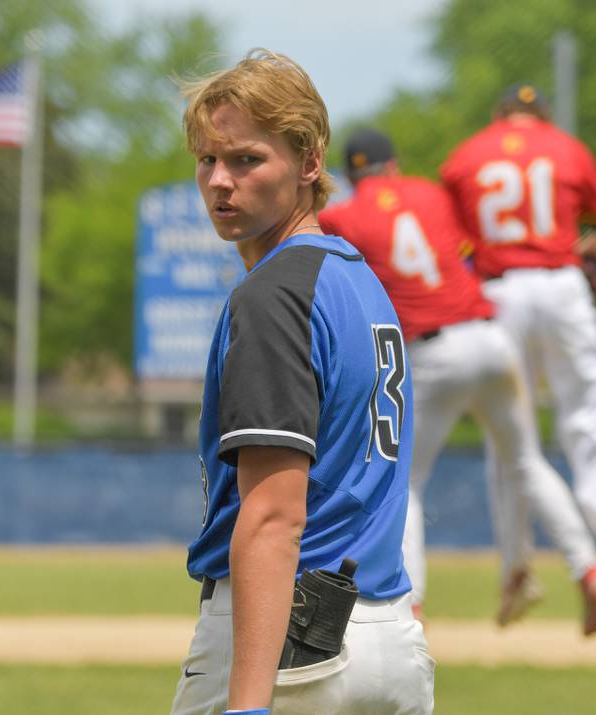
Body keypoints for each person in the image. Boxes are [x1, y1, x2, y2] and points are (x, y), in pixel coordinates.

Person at [170, 51, 433, 715]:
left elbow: (273, 517)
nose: (221, 182)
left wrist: (250, 705)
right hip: (392, 640)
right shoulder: (361, 280)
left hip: (292, 650)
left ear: (311, 163)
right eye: (208, 160)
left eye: (248, 159)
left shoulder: (273, 294)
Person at [319, 128, 596, 636]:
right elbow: (461, 255)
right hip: (489, 335)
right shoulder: (430, 194)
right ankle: (589, 569)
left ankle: (411, 604)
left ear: (350, 174)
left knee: (406, 482)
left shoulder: (340, 216)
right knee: (526, 462)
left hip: (433, 353)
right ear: (394, 165)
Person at [440, 83, 596, 624]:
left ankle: (517, 569)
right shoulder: (567, 148)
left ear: (499, 113)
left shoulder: (466, 156)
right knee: (590, 421)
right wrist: (583, 253)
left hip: (500, 292)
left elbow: (454, 245)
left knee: (511, 437)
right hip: (561, 288)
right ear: (542, 115)